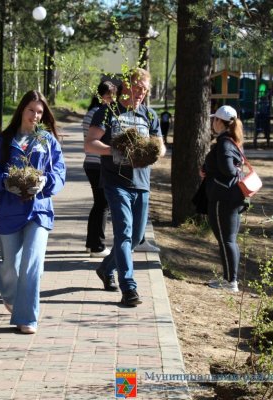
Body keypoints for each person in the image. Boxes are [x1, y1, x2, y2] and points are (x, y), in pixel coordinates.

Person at [0, 90, 66, 334]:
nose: (35, 116)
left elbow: (59, 173)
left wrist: (45, 183)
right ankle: (9, 292)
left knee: (32, 263)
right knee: (11, 267)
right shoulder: (5, 140)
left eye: (40, 112)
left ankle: (27, 318)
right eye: (31, 110)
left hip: (38, 210)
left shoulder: (47, 140)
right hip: (10, 212)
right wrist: (6, 181)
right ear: (22, 110)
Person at [85, 68, 166, 307]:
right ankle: (129, 287)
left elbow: (161, 147)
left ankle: (105, 268)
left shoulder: (149, 115)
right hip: (115, 181)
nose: (141, 93)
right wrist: (115, 150)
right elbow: (90, 144)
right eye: (137, 87)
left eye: (145, 89)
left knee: (137, 236)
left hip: (142, 182)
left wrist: (153, 150)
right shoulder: (108, 112)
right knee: (124, 233)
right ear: (126, 86)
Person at [202, 105, 245, 293]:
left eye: (215, 119)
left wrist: (208, 171)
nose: (213, 122)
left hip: (223, 198)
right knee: (230, 239)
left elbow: (228, 169)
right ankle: (229, 278)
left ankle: (231, 282)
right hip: (232, 197)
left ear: (220, 122)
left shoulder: (225, 143)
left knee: (226, 240)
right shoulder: (233, 141)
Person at [82, 81, 117, 258]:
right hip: (97, 163)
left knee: (99, 204)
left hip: (93, 163)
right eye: (109, 96)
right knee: (102, 204)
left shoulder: (93, 112)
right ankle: (97, 245)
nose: (112, 100)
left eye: (114, 96)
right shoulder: (99, 114)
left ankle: (92, 242)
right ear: (100, 96)